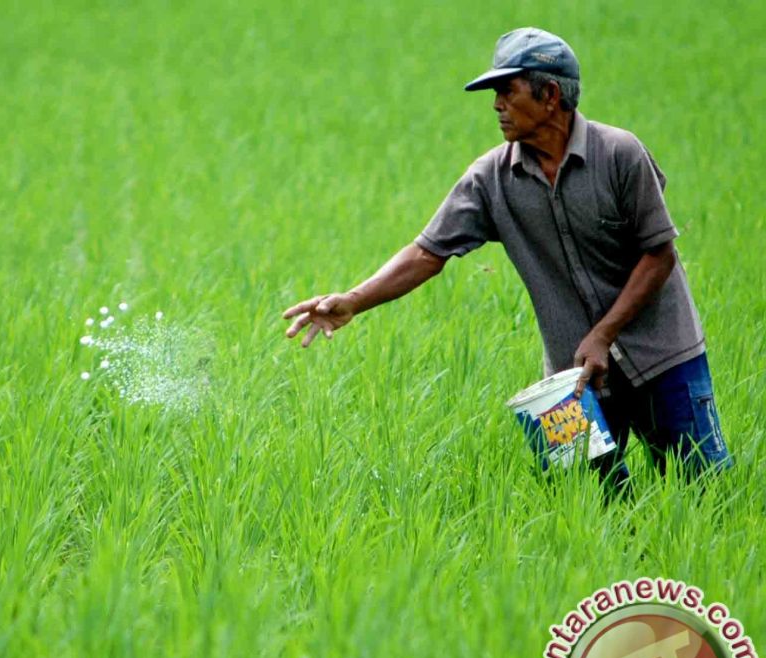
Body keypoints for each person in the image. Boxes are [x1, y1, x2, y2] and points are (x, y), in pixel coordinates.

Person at [282, 27, 731, 488]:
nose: (496, 104)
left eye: (507, 90)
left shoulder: (619, 155)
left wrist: (604, 334)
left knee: (702, 495)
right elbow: (426, 253)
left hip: (664, 359)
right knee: (590, 514)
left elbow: (660, 254)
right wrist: (353, 301)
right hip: (571, 381)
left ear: (550, 94)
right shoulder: (491, 179)